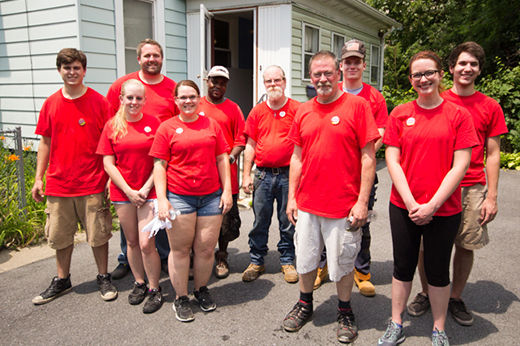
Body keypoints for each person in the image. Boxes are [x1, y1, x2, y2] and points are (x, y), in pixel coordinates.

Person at [378, 50, 478, 346]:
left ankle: (438, 328)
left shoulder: (459, 115)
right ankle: (396, 323)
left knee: (437, 270)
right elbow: (393, 161)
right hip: (403, 207)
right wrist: (412, 204)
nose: (423, 79)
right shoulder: (400, 113)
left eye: (429, 73)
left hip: (444, 209)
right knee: (402, 266)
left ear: (440, 75)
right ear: (411, 81)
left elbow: (460, 165)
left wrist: (432, 205)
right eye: (417, 75)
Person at [407, 42, 508, 327]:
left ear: (479, 70)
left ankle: (455, 297)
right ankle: (427, 292)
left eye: (473, 64)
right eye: (462, 63)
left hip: (471, 187)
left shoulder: (490, 107)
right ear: (449, 69)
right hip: (435, 186)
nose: (467, 69)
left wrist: (492, 196)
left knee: (465, 244)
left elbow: (494, 153)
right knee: (426, 246)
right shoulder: (435, 99)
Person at [282, 51, 380, 344]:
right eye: (316, 74)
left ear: (338, 73)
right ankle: (304, 303)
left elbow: (368, 157)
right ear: (310, 78)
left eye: (327, 73)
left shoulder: (358, 106)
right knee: (306, 257)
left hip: (343, 206)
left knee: (343, 263)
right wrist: (291, 197)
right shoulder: (303, 110)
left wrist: (362, 202)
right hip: (308, 205)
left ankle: (345, 310)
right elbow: (296, 157)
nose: (322, 79)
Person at [31, 48, 117, 305]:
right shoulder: (50, 103)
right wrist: (38, 178)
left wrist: (111, 176)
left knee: (98, 235)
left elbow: (111, 141)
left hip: (93, 181)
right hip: (58, 183)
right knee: (60, 237)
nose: (71, 72)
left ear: (84, 70)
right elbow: (45, 143)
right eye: (66, 68)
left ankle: (103, 275)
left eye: (76, 68)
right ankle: (62, 279)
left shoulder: (100, 102)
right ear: (60, 71)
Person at [150, 80, 232, 322]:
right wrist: (162, 199)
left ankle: (201, 290)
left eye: (192, 97)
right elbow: (159, 166)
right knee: (181, 250)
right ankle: (181, 297)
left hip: (210, 197)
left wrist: (227, 191)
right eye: (182, 97)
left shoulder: (212, 125)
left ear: (199, 98)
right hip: (180, 196)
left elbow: (222, 159)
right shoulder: (167, 128)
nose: (188, 101)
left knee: (206, 249)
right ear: (175, 101)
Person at [313, 39, 388, 295]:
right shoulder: (331, 90)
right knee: (323, 222)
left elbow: (381, 131)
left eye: (357, 61)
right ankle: (322, 266)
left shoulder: (373, 97)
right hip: (330, 174)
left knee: (360, 222)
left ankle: (362, 271)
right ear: (340, 66)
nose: (352, 66)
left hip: (361, 171)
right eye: (348, 61)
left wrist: (360, 154)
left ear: (364, 65)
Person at [106, 38, 178, 279]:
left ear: (162, 58)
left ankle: (166, 261)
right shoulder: (121, 85)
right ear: (138, 59)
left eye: (156, 55)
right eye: (146, 56)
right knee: (130, 229)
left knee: (160, 218)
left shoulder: (171, 88)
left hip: (159, 166)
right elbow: (111, 126)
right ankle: (126, 260)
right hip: (126, 166)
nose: (151, 60)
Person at [96, 79, 163, 313]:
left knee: (147, 243)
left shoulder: (154, 124)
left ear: (145, 100)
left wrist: (144, 189)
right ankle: (140, 282)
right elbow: (108, 163)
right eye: (130, 98)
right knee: (132, 242)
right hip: (123, 192)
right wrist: (128, 190)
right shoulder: (112, 126)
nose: (134, 102)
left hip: (149, 190)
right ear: (121, 99)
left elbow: (160, 161)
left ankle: (155, 289)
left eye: (138, 98)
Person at [241, 65, 300, 283]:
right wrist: (246, 175)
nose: (273, 85)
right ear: (264, 84)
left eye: (277, 80)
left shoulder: (297, 109)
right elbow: (250, 144)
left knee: (288, 221)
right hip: (263, 175)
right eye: (269, 81)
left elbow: (303, 145)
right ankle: (256, 260)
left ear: (285, 82)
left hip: (288, 175)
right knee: (260, 221)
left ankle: (287, 260)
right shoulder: (257, 111)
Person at [198, 66, 245, 279]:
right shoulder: (195, 104)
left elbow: (240, 140)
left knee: (225, 221)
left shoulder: (233, 109)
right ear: (207, 81)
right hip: (200, 175)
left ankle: (222, 255)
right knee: (198, 219)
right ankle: (197, 258)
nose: (218, 86)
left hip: (226, 177)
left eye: (222, 82)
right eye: (214, 81)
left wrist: (231, 158)